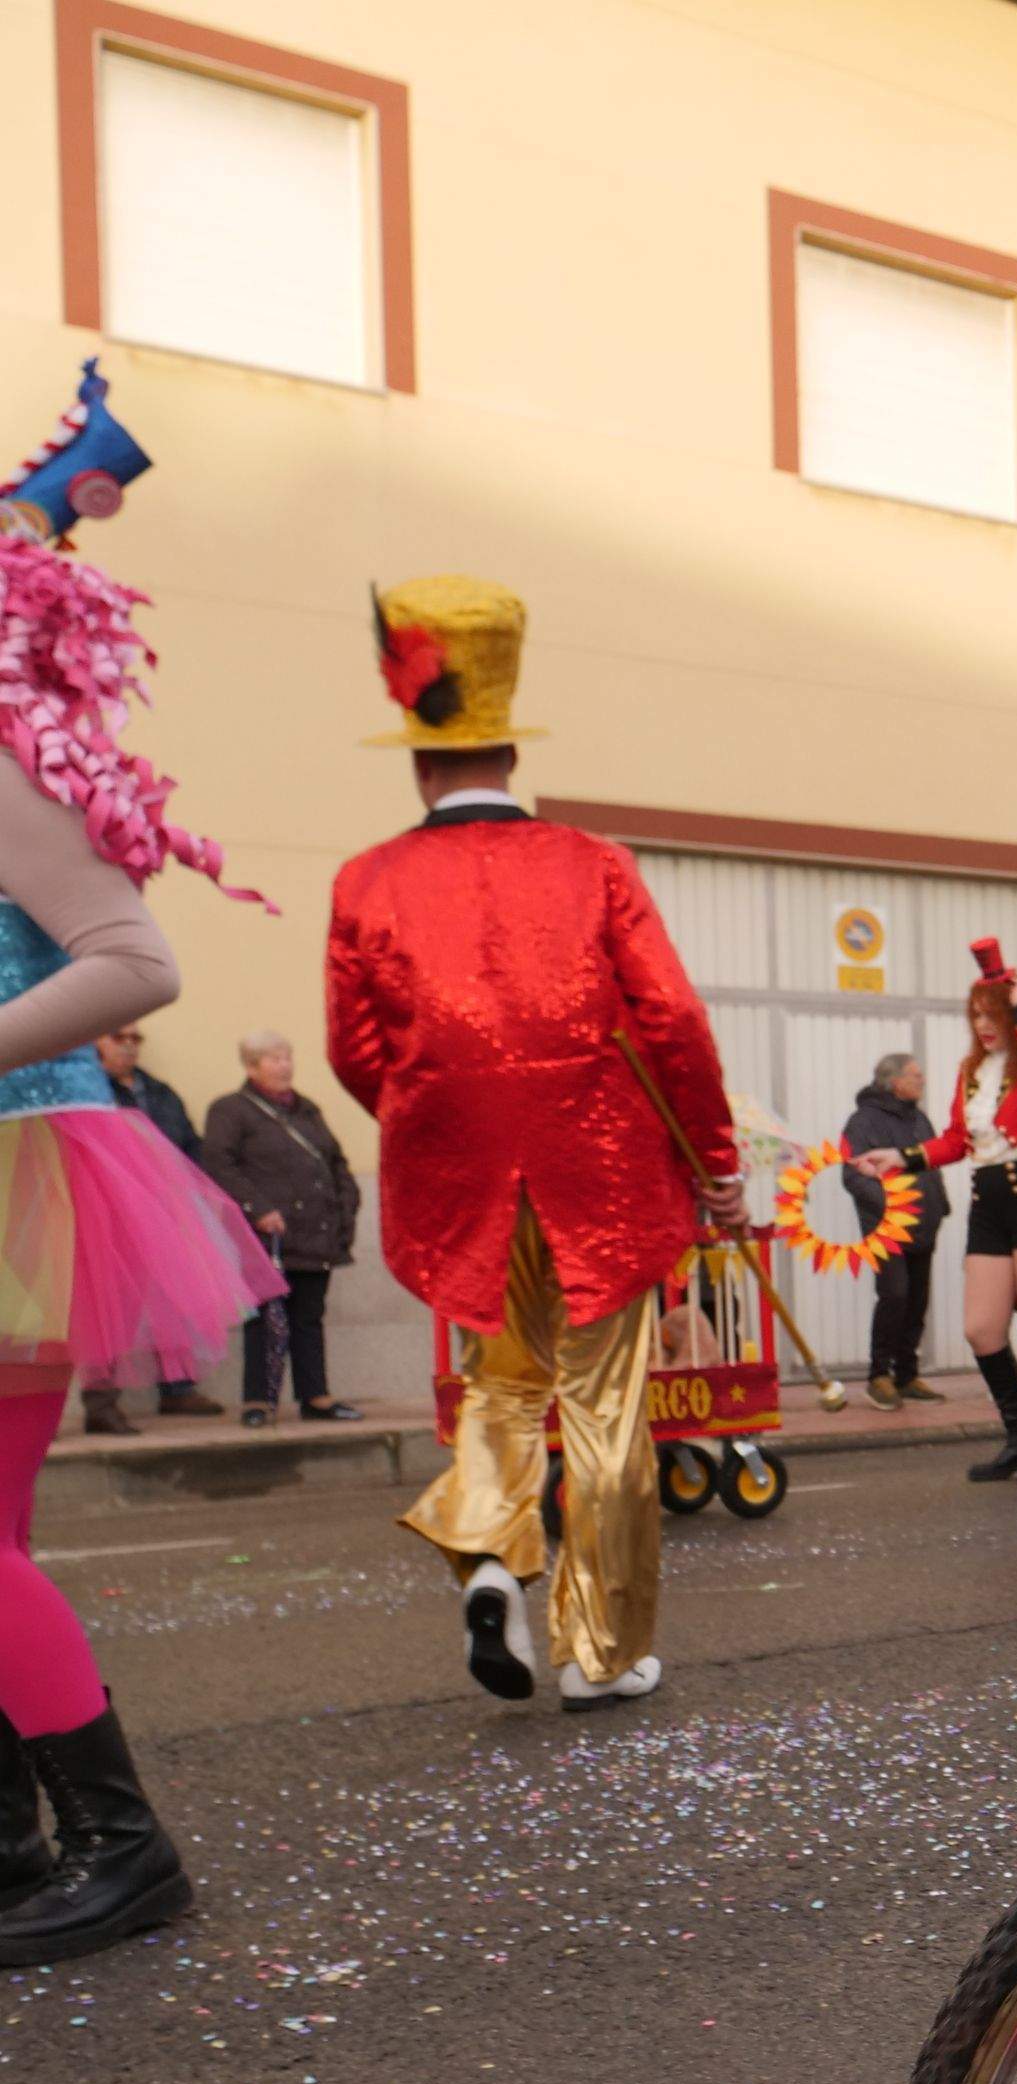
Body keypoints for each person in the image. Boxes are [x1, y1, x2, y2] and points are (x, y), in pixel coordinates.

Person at [327, 574, 744, 1713]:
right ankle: (600, 1654)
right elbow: (672, 1021)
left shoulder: (366, 880)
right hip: (600, 1171)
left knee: (497, 1391)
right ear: (511, 751)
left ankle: (486, 1568)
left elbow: (355, 1052)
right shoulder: (593, 861)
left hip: (463, 1177)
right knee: (605, 1411)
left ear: (418, 761)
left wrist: (435, 1123)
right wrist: (714, 1164)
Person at [0, 407, 281, 1967]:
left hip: (22, 1171)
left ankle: (123, 1847)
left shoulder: (3, 772)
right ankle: (18, 1841)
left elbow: (134, 964)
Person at [919, 948, 1017, 1481]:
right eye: (976, 1016)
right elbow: (955, 1141)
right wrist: (899, 1158)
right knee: (981, 1329)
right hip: (988, 1200)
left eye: (994, 1014)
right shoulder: (971, 1071)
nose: (983, 1026)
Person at [197, 1029, 362, 1428]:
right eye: (274, 1059)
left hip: (316, 1234)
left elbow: (335, 1161)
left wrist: (346, 1206)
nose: (285, 1066)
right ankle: (259, 1400)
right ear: (252, 1066)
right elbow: (218, 1163)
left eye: (287, 1057)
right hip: (266, 1238)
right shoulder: (230, 1110)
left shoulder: (308, 1110)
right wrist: (259, 1210)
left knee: (309, 1317)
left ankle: (315, 1397)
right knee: (265, 1321)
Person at [77, 1022, 222, 1430]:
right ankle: (101, 1404)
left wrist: (199, 1195)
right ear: (96, 1041)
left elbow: (190, 1146)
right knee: (110, 1310)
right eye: (118, 1038)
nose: (128, 1046)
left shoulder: (159, 1092)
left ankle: (178, 1388)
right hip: (110, 1216)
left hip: (167, 1213)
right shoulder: (88, 1091)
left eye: (135, 1039)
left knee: (174, 1299)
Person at [841, 1051, 948, 1408]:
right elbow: (853, 1176)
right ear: (894, 1081)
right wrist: (892, 1206)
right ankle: (879, 1376)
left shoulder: (919, 1118)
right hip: (886, 1228)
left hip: (925, 1224)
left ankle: (907, 1374)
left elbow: (932, 1161)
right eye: (916, 1075)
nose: (922, 1080)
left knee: (917, 1300)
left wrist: (940, 1204)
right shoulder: (862, 1122)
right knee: (894, 1296)